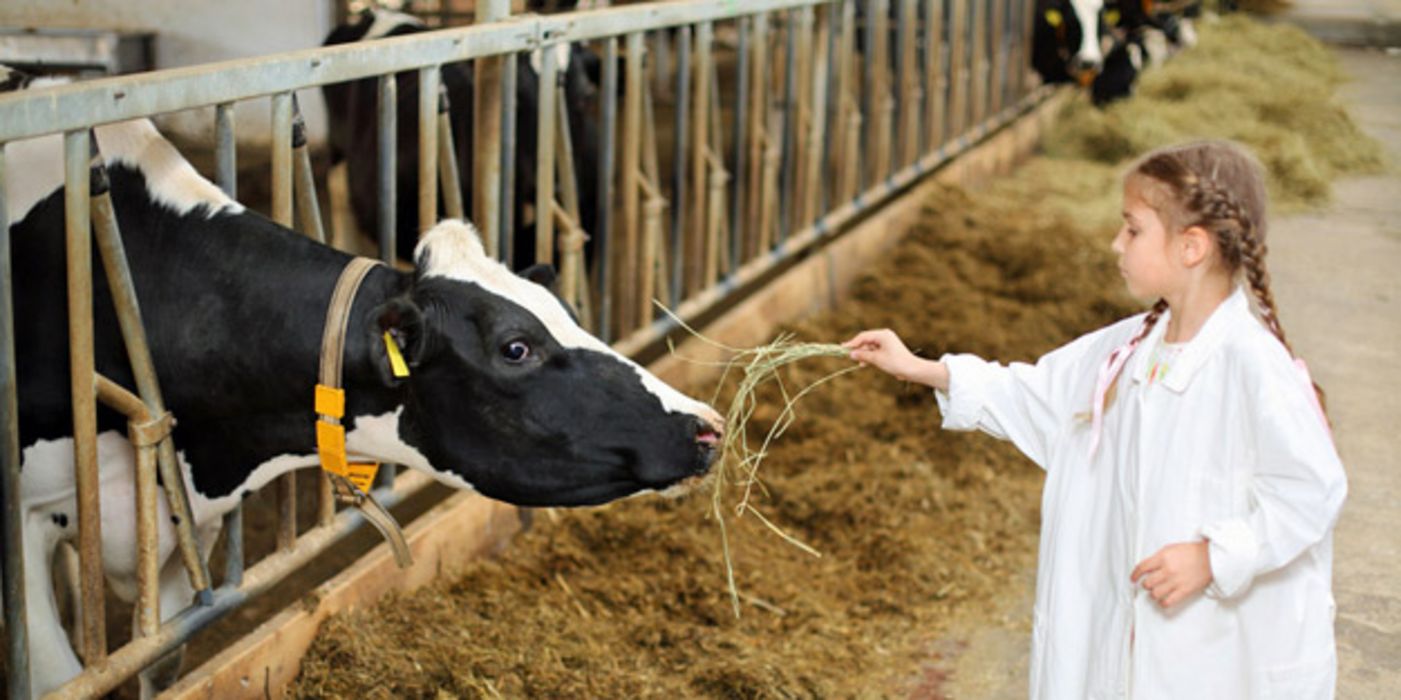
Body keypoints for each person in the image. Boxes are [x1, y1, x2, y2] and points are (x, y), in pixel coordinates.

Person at [843, 140, 1347, 699]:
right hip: (1130, 637)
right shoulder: (1128, 349)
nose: (1116, 243)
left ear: (1192, 247)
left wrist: (1215, 556)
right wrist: (920, 368)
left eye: (1132, 230)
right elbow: (1038, 393)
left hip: (1216, 648)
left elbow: (1311, 489)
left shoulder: (1253, 366)